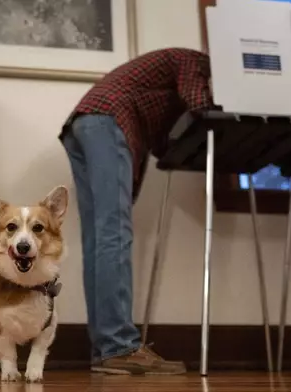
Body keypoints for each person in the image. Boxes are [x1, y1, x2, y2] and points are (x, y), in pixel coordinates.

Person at [59, 48, 213, 375]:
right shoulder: (194, 62)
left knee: (99, 241)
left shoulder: (163, 81)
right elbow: (200, 104)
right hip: (107, 120)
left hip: (84, 125)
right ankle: (120, 346)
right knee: (113, 235)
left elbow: (161, 142)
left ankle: (106, 349)